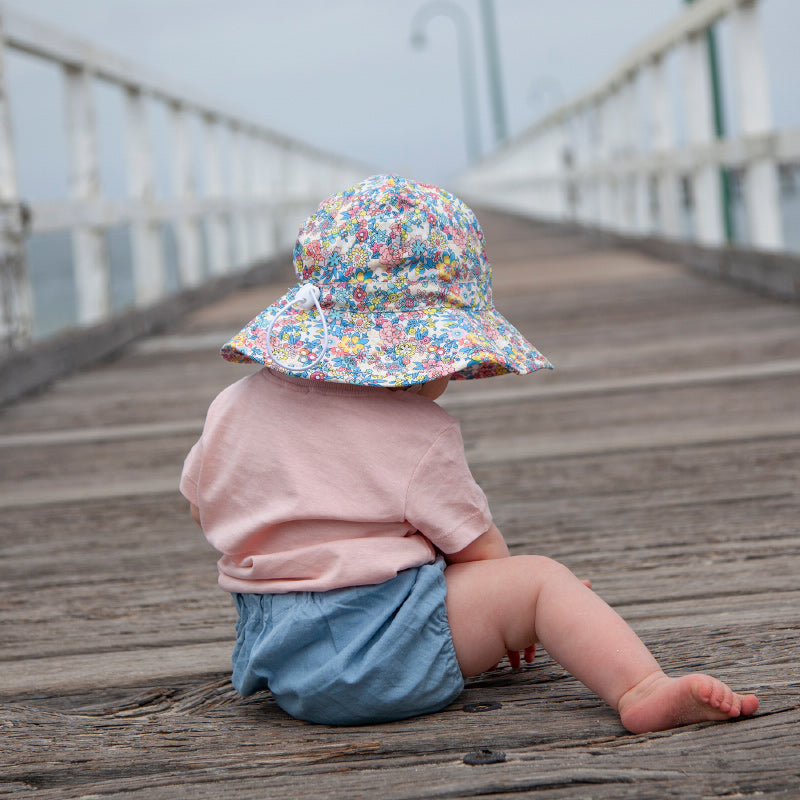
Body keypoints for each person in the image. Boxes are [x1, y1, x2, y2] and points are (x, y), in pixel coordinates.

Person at [181, 174, 759, 731]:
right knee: (539, 583)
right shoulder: (417, 433)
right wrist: (510, 609)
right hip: (386, 657)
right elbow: (483, 557)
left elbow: (204, 505)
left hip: (280, 660)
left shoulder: (229, 407)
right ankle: (641, 689)